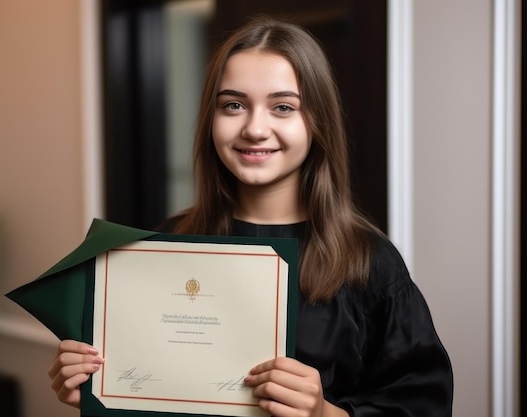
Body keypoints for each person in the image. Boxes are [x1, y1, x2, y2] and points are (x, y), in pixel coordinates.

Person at [48, 15, 454, 416]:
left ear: (317, 122)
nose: (255, 128)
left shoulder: (371, 262)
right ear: (211, 118)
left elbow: (424, 404)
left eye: (282, 107)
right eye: (234, 105)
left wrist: (324, 414)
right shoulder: (163, 243)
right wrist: (95, 389)